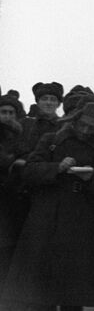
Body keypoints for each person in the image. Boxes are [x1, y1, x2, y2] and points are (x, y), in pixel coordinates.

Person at [3, 102, 94, 311]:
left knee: (73, 293)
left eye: (91, 127)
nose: (85, 131)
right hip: (47, 221)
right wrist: (56, 168)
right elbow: (29, 171)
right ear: (74, 120)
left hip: (81, 225)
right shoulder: (51, 140)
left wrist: (92, 177)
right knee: (41, 292)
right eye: (82, 125)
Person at [0, 93, 23, 295]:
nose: (7, 116)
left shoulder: (20, 136)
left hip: (12, 204)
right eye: (3, 112)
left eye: (11, 112)